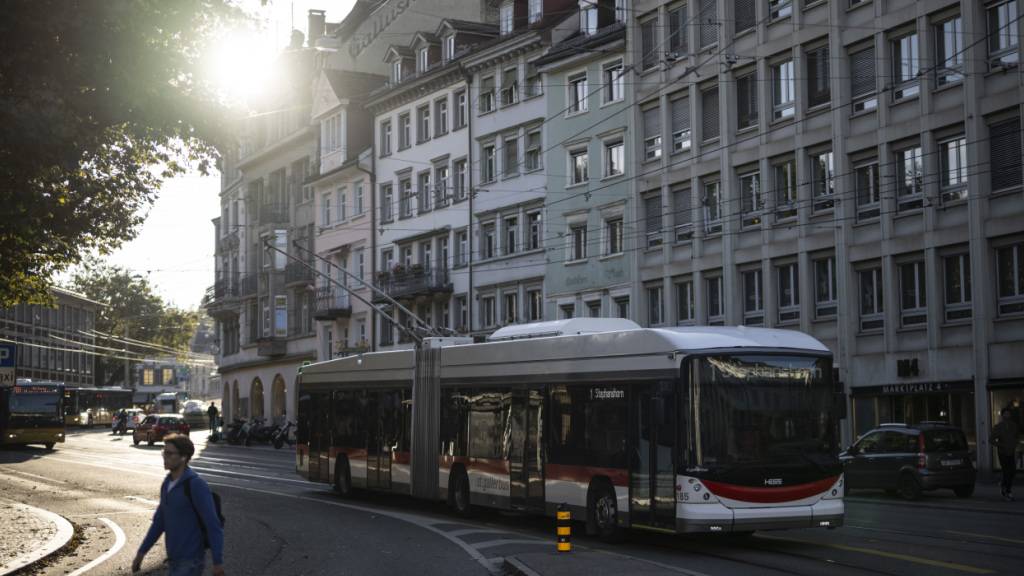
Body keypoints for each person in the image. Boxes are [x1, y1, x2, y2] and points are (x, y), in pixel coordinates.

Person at [133, 434, 225, 576]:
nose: (165, 457)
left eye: (170, 453)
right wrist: (141, 552)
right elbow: (159, 522)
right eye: (164, 452)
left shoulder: (195, 484)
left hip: (191, 561)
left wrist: (217, 562)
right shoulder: (167, 484)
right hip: (173, 559)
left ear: (183, 457)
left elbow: (213, 524)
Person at [992, 408, 1020, 501]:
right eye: (1005, 414)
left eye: (1009, 414)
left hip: (1011, 451)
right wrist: (1001, 445)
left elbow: (1017, 436)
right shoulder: (998, 426)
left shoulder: (1014, 426)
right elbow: (991, 440)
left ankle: (1004, 485)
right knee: (1007, 471)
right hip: (1003, 452)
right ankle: (1007, 491)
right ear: (1002, 415)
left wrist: (1015, 443)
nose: (1007, 415)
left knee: (1012, 471)